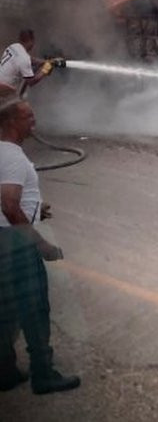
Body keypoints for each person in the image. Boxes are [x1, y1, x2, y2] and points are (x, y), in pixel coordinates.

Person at [0, 97, 80, 394]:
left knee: (5, 308)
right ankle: (43, 375)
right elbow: (9, 205)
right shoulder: (11, 157)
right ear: (11, 123)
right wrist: (41, 244)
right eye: (28, 117)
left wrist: (34, 207)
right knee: (34, 308)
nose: (34, 121)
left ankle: (5, 371)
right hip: (13, 242)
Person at [0, 30, 56, 97]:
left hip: (2, 83)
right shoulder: (24, 59)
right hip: (4, 88)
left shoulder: (14, 46)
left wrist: (45, 62)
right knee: (23, 107)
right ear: (31, 41)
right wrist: (46, 69)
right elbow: (31, 82)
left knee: (27, 74)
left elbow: (30, 59)